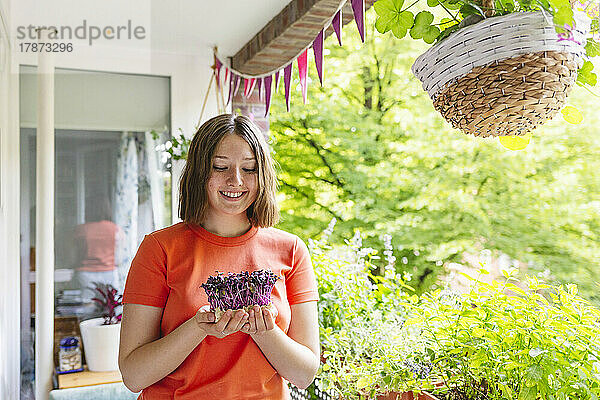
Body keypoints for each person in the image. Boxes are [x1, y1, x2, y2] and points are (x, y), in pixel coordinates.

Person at [118, 114, 320, 399]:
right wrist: (198, 328)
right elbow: (134, 375)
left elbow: (304, 374)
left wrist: (264, 331)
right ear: (201, 172)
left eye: (249, 168)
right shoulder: (159, 248)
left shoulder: (292, 250)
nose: (235, 180)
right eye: (220, 166)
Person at [72, 197, 120, 309]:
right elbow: (119, 258)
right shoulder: (115, 229)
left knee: (88, 307)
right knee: (111, 308)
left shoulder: (81, 230)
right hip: (109, 272)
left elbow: (75, 254)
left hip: (85, 273)